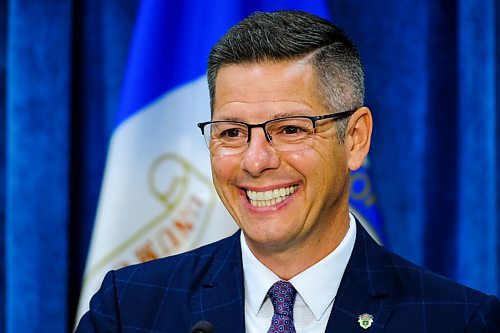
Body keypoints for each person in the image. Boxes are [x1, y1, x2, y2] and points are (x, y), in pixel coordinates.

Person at [76, 10, 500, 332]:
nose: (256, 161)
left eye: (291, 129)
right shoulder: (128, 309)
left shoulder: (459, 320)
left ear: (355, 139)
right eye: (232, 132)